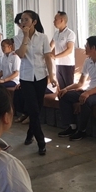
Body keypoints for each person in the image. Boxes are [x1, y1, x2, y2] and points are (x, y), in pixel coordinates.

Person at [14, 10, 56, 156]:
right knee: (33, 109)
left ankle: (30, 133)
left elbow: (48, 57)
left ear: (34, 22)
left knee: (37, 109)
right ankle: (41, 142)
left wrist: (52, 76)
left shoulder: (43, 37)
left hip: (41, 77)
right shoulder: (18, 38)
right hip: (26, 78)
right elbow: (21, 54)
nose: (23, 22)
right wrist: (25, 37)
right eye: (22, 20)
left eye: (26, 19)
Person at [57, 36, 96, 141]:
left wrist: (87, 93)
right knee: (64, 96)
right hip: (90, 91)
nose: (85, 48)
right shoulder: (88, 61)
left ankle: (81, 131)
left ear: (93, 48)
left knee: (86, 100)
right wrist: (66, 89)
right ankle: (72, 126)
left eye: (86, 45)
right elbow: (80, 83)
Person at [50, 11, 76, 90]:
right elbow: (50, 46)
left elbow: (69, 50)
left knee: (68, 89)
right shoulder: (56, 33)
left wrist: (55, 56)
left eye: (55, 19)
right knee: (61, 88)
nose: (53, 21)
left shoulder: (70, 33)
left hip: (67, 65)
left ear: (62, 20)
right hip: (58, 64)